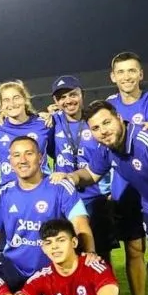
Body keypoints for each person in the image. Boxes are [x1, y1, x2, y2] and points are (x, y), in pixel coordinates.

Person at [0, 136, 92, 291]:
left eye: (29, 154)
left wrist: (88, 253)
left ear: (40, 157)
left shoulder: (60, 187)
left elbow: (80, 223)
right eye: (16, 155)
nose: (22, 160)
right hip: (13, 267)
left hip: (51, 269)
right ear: (10, 161)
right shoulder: (6, 192)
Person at [81, 98, 148, 295]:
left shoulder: (144, 141)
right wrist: (69, 177)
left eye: (107, 123)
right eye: (96, 128)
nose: (103, 131)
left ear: (119, 118)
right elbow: (91, 174)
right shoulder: (106, 148)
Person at [104, 52, 148, 295]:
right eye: (121, 72)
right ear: (113, 77)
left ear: (140, 74)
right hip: (123, 189)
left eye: (132, 71)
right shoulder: (108, 107)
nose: (126, 77)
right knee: (133, 248)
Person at [47, 76, 115, 270]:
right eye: (62, 97)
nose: (68, 100)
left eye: (72, 94)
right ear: (55, 102)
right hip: (64, 198)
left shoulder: (95, 121)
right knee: (69, 255)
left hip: (95, 198)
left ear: (81, 94)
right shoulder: (52, 122)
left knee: (101, 256)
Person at [0, 80, 52, 186]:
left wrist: (50, 114)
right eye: (6, 100)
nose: (12, 103)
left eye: (16, 98)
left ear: (25, 99)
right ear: (1, 104)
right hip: (9, 192)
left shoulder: (44, 124)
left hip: (42, 188)